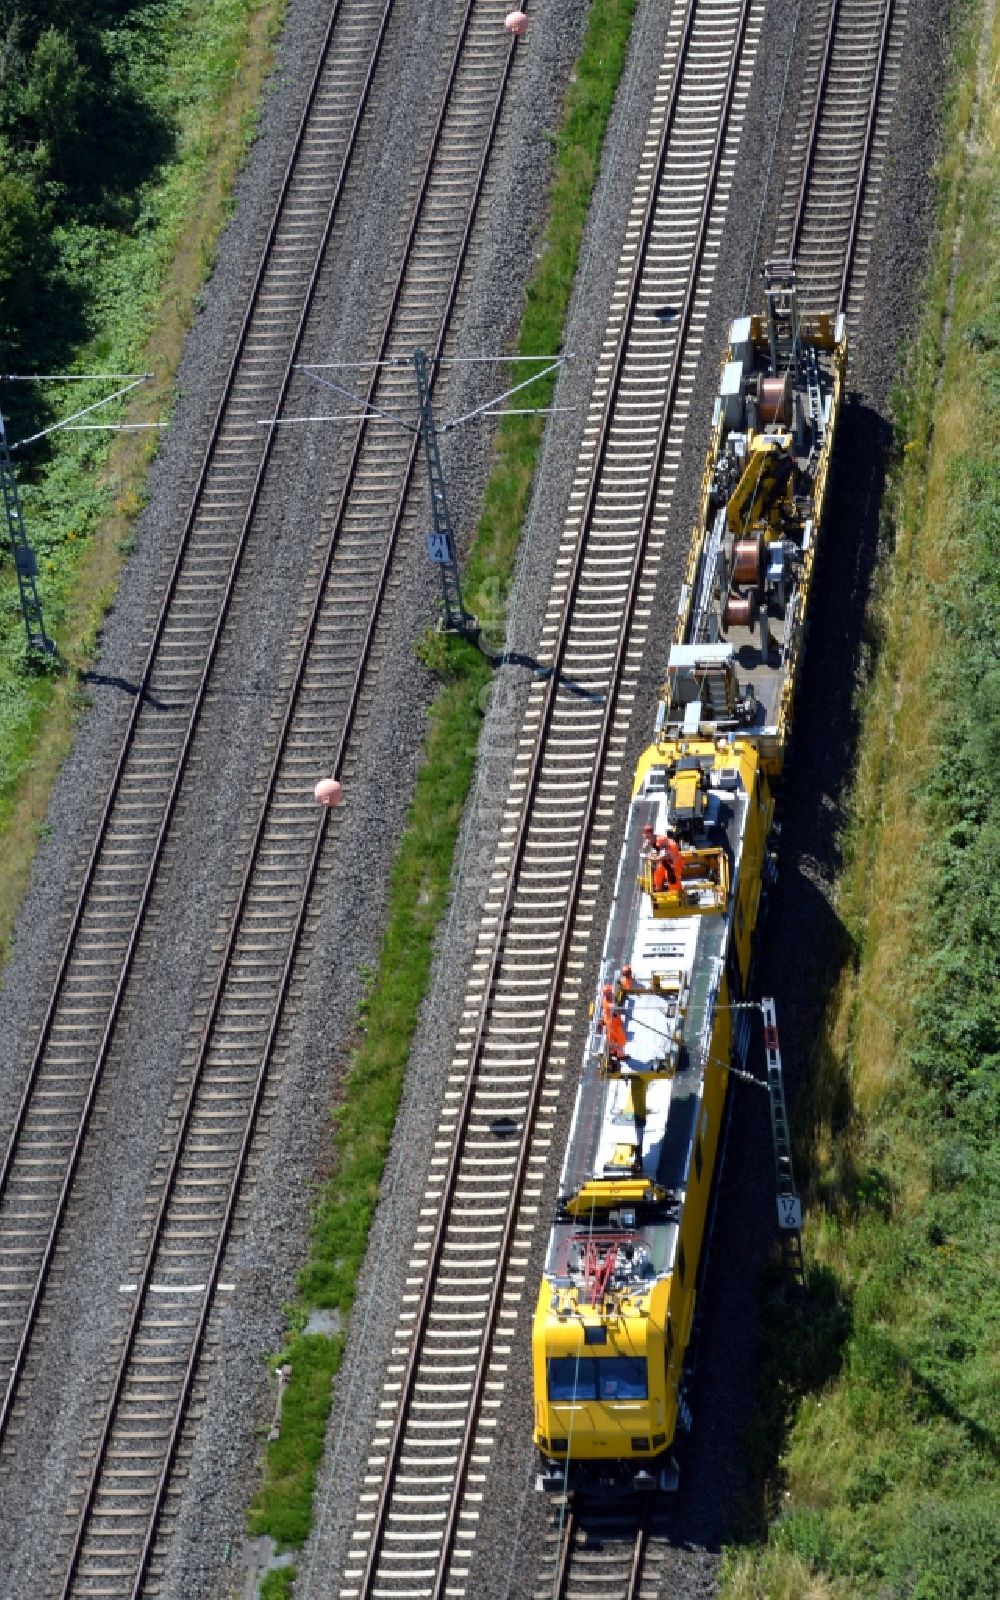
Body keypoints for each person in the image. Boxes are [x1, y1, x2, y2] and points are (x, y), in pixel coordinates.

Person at [600, 981, 627, 1060]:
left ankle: (612, 1052)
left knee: (612, 1039)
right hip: (614, 1024)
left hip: (610, 1023)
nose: (612, 993)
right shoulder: (608, 1003)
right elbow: (614, 1006)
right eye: (610, 993)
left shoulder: (605, 1000)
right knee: (621, 1040)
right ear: (607, 994)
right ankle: (620, 1054)